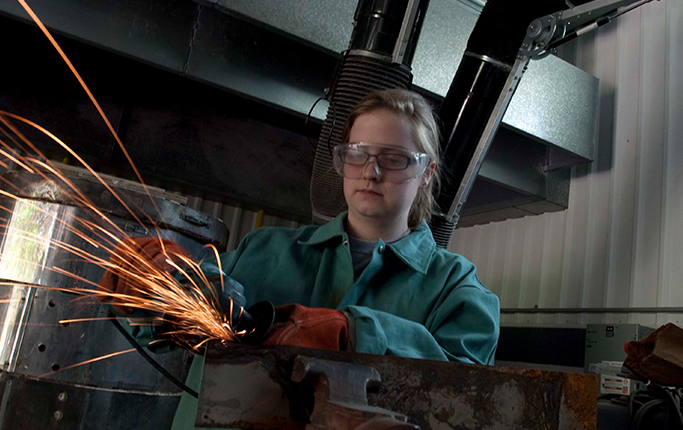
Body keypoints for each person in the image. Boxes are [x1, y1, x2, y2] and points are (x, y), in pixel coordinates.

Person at [104, 89, 500, 429]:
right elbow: (163, 333)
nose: (371, 172)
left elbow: (470, 397)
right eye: (357, 154)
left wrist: (356, 335)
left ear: (427, 173)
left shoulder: (457, 290)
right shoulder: (265, 250)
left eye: (394, 159)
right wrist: (160, 286)